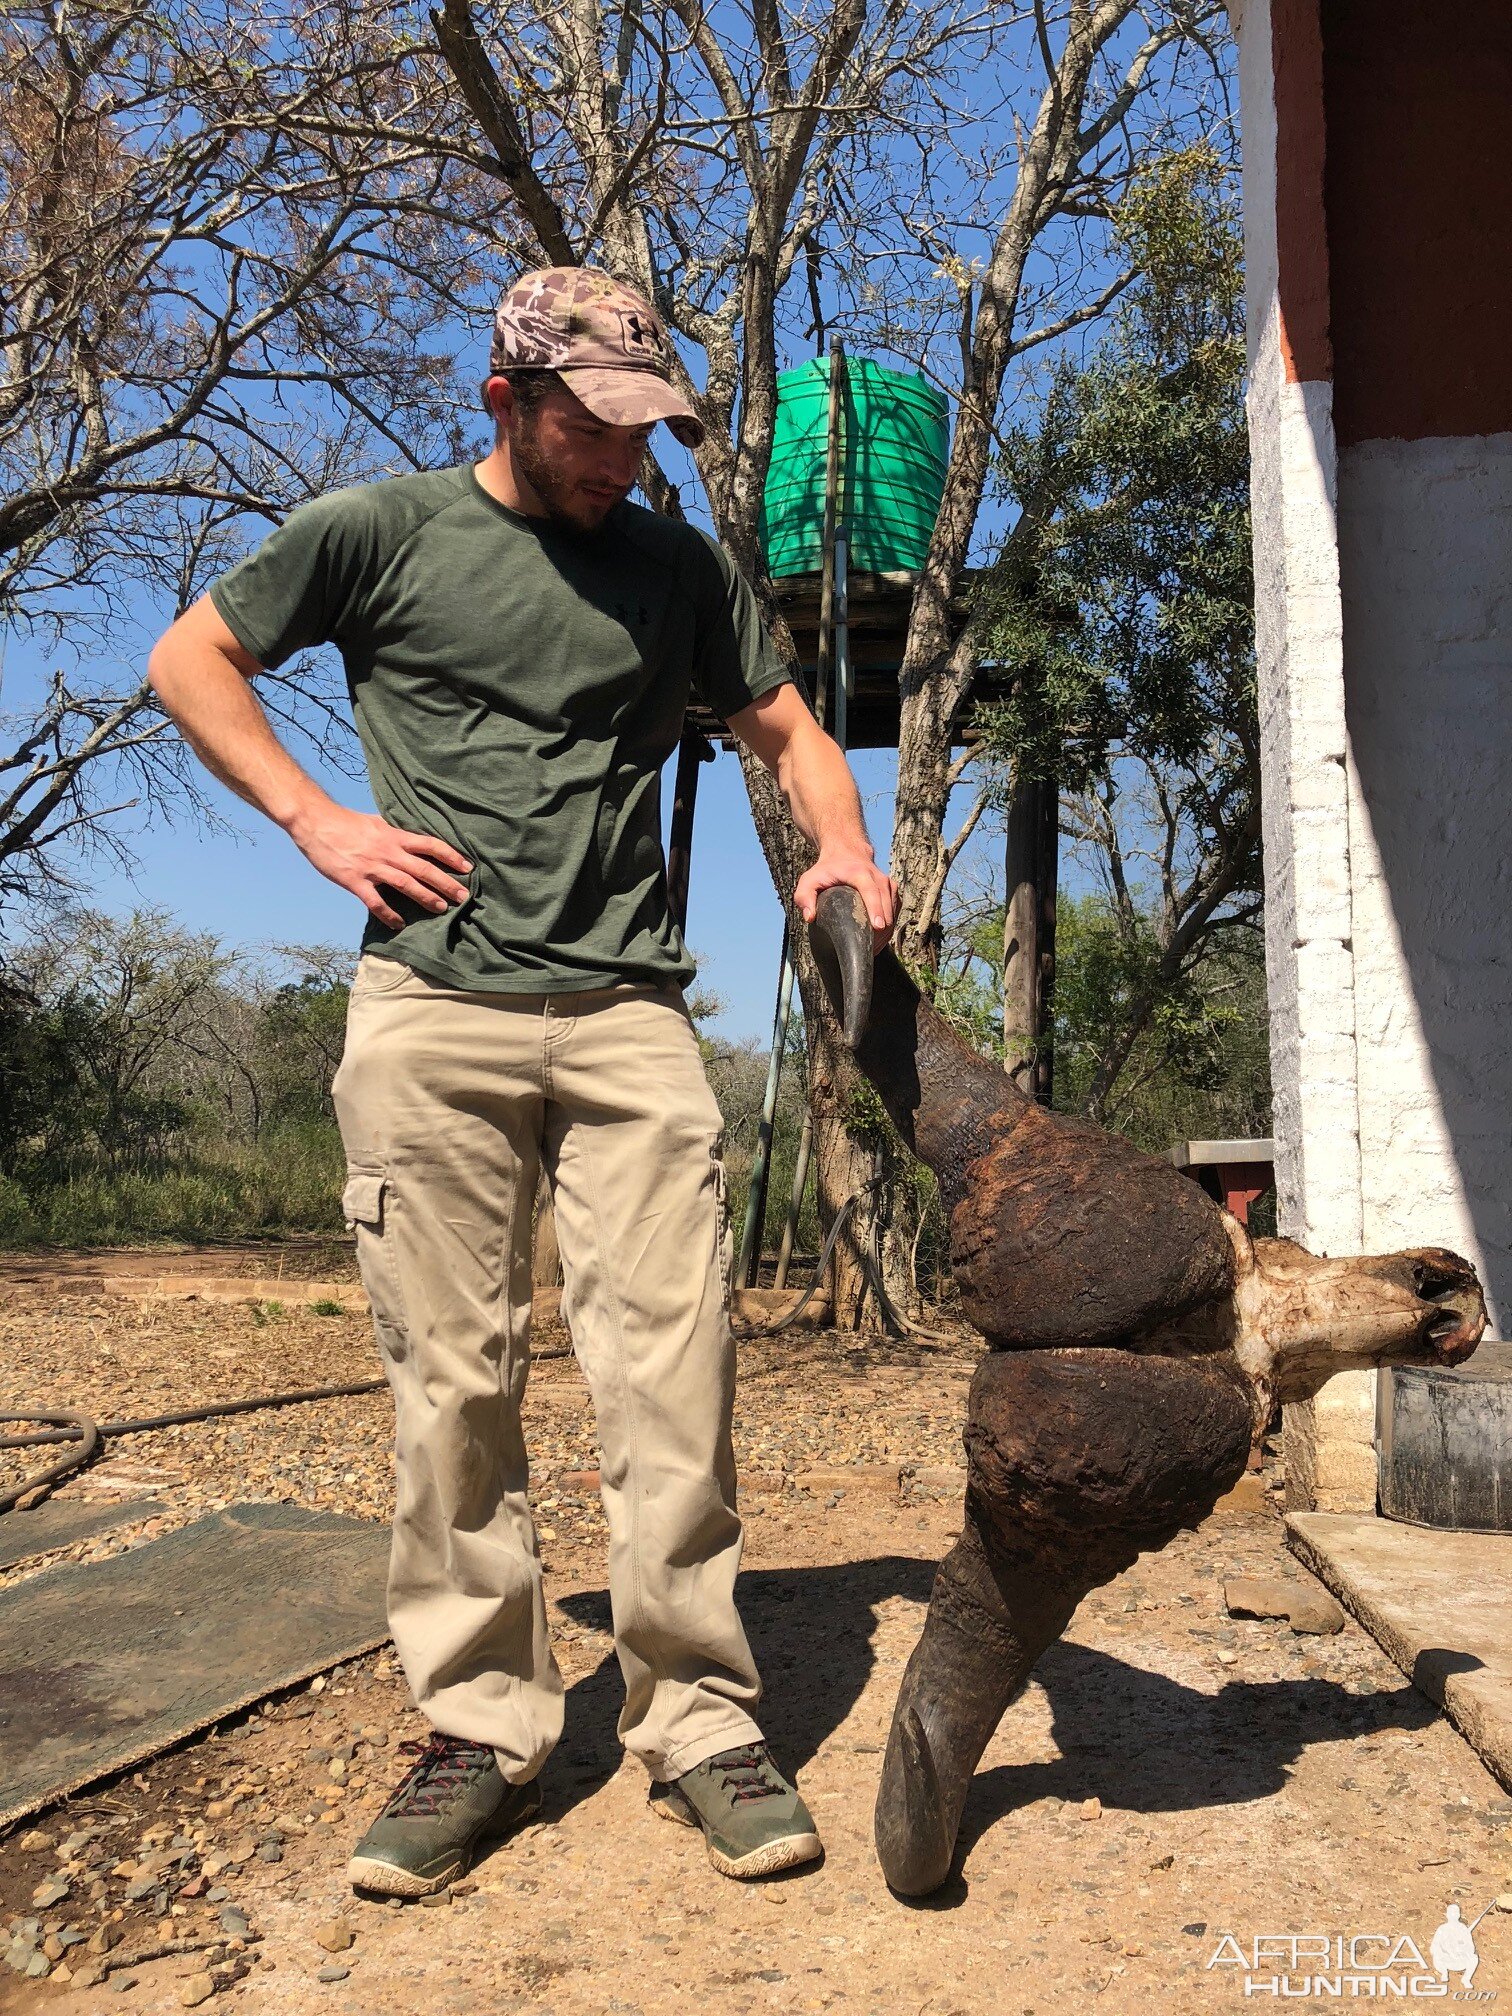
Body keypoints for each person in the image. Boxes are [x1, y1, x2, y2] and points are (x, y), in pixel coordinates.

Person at [148, 265, 897, 1897]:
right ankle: (482, 1725)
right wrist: (314, 821)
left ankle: (698, 1716)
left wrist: (841, 843)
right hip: (433, 1007)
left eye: (646, 429)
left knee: (672, 1380)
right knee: (453, 1387)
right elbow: (190, 660)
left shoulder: (674, 564)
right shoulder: (378, 530)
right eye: (593, 426)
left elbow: (786, 729)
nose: (623, 457)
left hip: (630, 1013)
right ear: (504, 400)